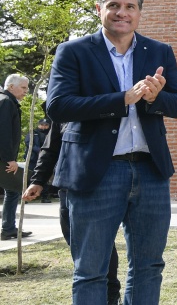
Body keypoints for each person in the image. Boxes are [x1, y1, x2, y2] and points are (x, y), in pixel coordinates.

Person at [46, 0, 177, 304]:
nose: (121, 13)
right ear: (99, 9)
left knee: (149, 265)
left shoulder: (159, 51)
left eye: (130, 7)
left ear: (139, 13)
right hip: (97, 172)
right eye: (114, 5)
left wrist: (155, 98)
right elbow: (57, 106)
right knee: (91, 270)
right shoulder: (73, 52)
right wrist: (120, 99)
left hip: (150, 172)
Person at [23, 118, 122, 304]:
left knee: (100, 243)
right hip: (69, 185)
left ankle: (110, 295)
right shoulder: (62, 106)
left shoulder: (101, 100)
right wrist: (38, 180)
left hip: (97, 185)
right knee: (79, 244)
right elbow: (50, 146)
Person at [1, 74, 31, 241]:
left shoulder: (7, 102)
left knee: (12, 190)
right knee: (13, 189)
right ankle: (8, 228)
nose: (26, 92)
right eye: (24, 88)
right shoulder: (6, 102)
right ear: (11, 87)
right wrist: (9, 159)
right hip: (3, 159)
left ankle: (9, 228)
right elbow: (3, 133)